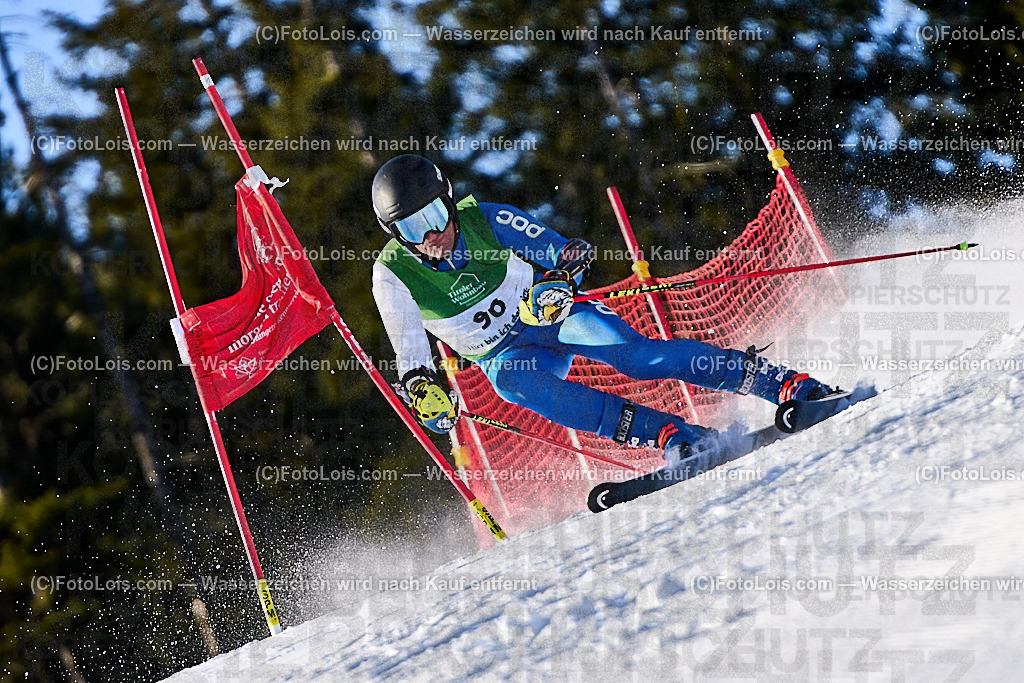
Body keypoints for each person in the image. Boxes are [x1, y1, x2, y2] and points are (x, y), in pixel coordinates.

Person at [370, 154, 834, 465]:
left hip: (549, 320)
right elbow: (410, 355)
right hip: (507, 357)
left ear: (449, 201)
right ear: (396, 235)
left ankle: (783, 383)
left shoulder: (483, 218)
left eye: (434, 215)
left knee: (637, 358)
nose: (432, 235)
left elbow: (565, 251)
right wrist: (422, 392)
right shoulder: (393, 276)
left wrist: (556, 282)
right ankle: (670, 436)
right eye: (413, 228)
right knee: (514, 385)